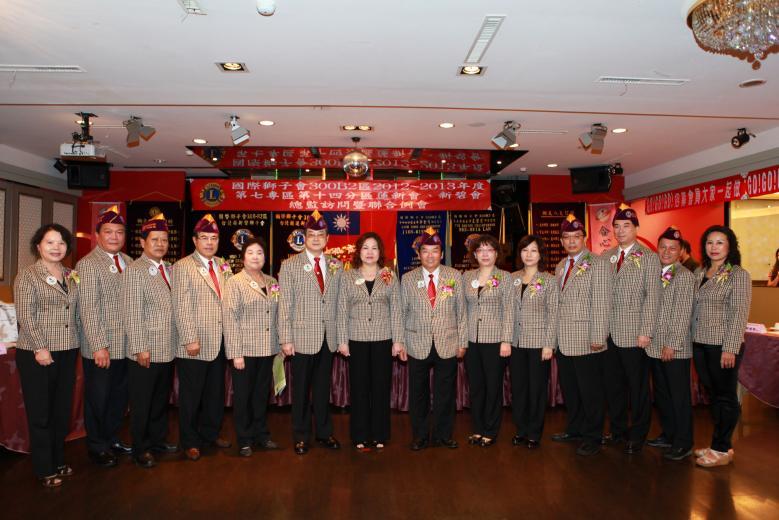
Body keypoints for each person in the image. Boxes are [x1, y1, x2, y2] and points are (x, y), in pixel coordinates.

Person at [14, 224, 80, 487]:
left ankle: (58, 459)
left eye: (61, 242)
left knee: (61, 410)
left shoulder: (71, 274)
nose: (56, 247)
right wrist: (40, 348)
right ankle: (44, 468)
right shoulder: (28, 275)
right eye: (50, 242)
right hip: (37, 353)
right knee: (41, 412)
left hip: (67, 349)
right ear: (38, 246)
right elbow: (26, 316)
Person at [278, 210, 343, 455]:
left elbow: (339, 304)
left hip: (328, 337)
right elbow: (285, 304)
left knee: (323, 389)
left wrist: (341, 337)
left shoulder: (336, 265)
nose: (316, 239)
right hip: (301, 337)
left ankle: (325, 433)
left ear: (327, 238)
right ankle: (301, 435)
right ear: (304, 237)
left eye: (320, 235)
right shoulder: (290, 265)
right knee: (301, 390)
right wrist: (286, 338)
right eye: (311, 235)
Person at [400, 227, 467, 451]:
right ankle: (419, 436)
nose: (430, 255)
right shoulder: (408, 279)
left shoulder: (454, 276)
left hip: (447, 342)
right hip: (416, 343)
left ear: (442, 253)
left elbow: (461, 312)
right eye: (425, 251)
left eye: (435, 250)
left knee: (445, 394)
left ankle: (443, 435)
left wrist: (463, 342)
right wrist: (401, 342)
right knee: (418, 393)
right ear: (418, 254)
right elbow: (401, 313)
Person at [172, 213, 233, 461]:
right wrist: (189, 338)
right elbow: (181, 305)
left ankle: (210, 434)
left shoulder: (223, 264)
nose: (209, 242)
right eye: (204, 238)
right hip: (195, 342)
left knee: (214, 394)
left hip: (219, 341)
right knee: (191, 395)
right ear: (195, 240)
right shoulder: (183, 266)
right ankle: (189, 441)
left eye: (214, 238)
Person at [76, 205, 133, 467]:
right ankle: (97, 445)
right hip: (102, 347)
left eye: (119, 232)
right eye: (108, 232)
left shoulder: (129, 262)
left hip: (126, 345)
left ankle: (111, 438)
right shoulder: (88, 264)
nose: (114, 237)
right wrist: (99, 346)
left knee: (119, 397)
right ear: (97, 235)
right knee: (98, 398)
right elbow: (88, 308)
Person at [120, 213, 179, 468]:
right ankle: (140, 448)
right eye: (154, 239)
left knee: (159, 400)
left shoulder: (169, 268)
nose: (160, 244)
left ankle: (157, 440)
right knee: (142, 402)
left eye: (164, 240)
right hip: (146, 350)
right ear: (142, 242)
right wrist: (140, 347)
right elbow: (132, 313)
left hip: (167, 348)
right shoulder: (135, 271)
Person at [551, 214, 611, 457]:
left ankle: (593, 436)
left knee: (591, 392)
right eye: (567, 237)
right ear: (561, 241)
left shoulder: (598, 263)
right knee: (571, 390)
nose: (572, 241)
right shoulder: (560, 266)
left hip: (587, 339)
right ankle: (574, 429)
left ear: (584, 238)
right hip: (564, 340)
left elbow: (602, 303)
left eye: (576, 236)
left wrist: (599, 336)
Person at [337, 232, 404, 450]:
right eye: (365, 247)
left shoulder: (388, 275)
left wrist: (398, 340)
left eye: (374, 248)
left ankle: (379, 434)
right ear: (359, 251)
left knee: (380, 387)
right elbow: (342, 310)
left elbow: (396, 310)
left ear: (380, 252)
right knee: (359, 388)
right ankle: (359, 435)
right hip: (356, 339)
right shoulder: (348, 276)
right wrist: (342, 340)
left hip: (383, 339)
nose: (369, 252)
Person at [601, 204, 660, 454]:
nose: (620, 230)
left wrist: (646, 331)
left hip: (635, 335)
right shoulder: (606, 257)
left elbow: (653, 297)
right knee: (613, 387)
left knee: (637, 388)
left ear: (636, 228)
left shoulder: (648, 257)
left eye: (626, 226)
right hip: (609, 335)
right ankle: (617, 431)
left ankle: (638, 434)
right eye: (617, 226)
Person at [692, 225, 751, 468]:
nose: (714, 247)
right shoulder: (700, 271)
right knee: (713, 395)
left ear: (730, 246)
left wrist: (730, 348)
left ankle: (721, 448)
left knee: (725, 397)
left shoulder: (738, 274)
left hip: (722, 345)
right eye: (709, 242)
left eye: (719, 242)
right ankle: (720, 444)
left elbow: (739, 313)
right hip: (700, 342)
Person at [222, 237, 280, 457]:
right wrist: (235, 353)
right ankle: (244, 439)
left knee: (261, 396)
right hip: (244, 351)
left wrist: (280, 343)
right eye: (251, 252)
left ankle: (261, 435)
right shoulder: (235, 282)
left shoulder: (272, 281)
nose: (256, 257)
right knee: (243, 397)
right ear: (243, 257)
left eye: (260, 253)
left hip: (267, 349)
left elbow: (278, 314)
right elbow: (230, 319)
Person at [646, 226, 696, 461]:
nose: (666, 252)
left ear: (680, 251)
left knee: (678, 396)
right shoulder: (656, 272)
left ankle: (683, 442)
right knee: (663, 395)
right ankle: (669, 434)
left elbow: (682, 314)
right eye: (663, 247)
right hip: (655, 346)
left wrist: (672, 344)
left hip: (674, 348)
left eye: (672, 248)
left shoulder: (684, 276)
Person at [461, 234, 513, 447]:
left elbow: (509, 310)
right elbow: (462, 310)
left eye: (489, 250)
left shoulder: (505, 277)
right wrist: (462, 340)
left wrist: (506, 340)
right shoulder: (466, 277)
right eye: (480, 250)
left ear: (496, 254)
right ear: (474, 254)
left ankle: (490, 430)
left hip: (495, 341)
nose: (485, 254)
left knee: (493, 387)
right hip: (471, 340)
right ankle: (478, 428)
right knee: (476, 387)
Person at [510, 235, 559, 449]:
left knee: (536, 389)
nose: (528, 255)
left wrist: (549, 344)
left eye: (533, 250)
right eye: (524, 250)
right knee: (518, 388)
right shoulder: (512, 278)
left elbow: (553, 313)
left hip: (539, 344)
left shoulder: (548, 280)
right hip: (515, 343)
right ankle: (521, 429)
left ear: (540, 254)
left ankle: (534, 432)